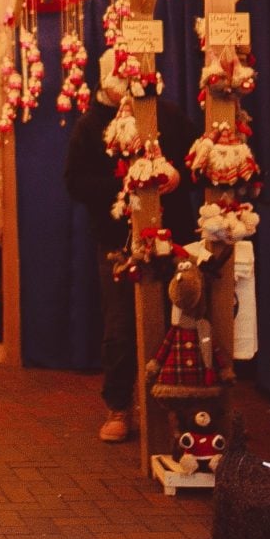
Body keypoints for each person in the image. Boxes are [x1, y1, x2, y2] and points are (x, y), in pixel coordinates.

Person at [63, 50, 196, 442]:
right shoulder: (91, 126)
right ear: (105, 80)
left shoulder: (166, 115)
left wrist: (174, 175)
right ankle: (119, 407)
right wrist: (127, 184)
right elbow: (75, 182)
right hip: (118, 241)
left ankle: (180, 409)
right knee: (121, 328)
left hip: (175, 237)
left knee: (181, 322)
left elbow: (195, 160)